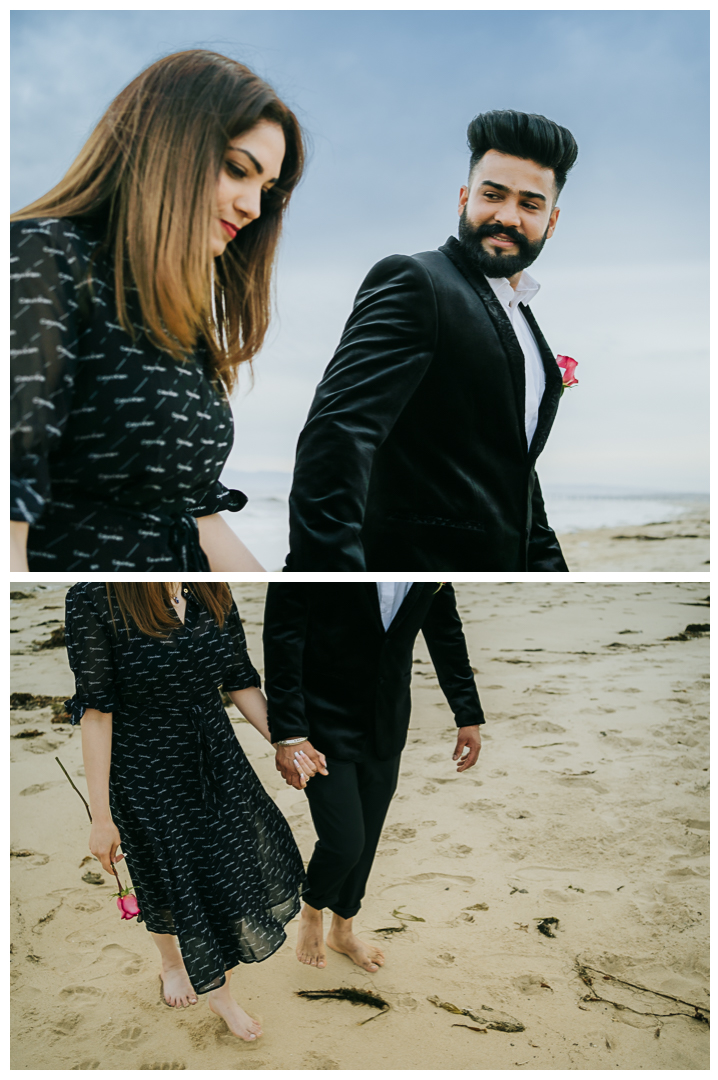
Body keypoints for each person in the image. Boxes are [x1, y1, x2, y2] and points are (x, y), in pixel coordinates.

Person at [11, 50, 304, 572]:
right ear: (166, 146)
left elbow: (194, 514)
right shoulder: (39, 257)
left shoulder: (176, 315)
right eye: (238, 170)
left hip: (186, 613)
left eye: (267, 190)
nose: (253, 207)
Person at [285, 109, 578, 571]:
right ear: (464, 198)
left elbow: (515, 472)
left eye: (530, 203)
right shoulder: (417, 281)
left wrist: (548, 570)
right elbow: (337, 439)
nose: (507, 216)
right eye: (492, 195)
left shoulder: (522, 318)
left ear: (552, 220)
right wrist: (333, 579)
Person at [64, 581, 311, 1040]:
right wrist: (101, 817)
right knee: (167, 875)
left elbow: (239, 678)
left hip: (215, 754)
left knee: (230, 865)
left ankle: (216, 985)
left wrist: (288, 742)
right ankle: (176, 966)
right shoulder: (94, 598)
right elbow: (97, 710)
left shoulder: (210, 588)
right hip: (144, 765)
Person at [262, 582, 484, 971]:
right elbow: (282, 640)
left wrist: (467, 714)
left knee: (367, 836)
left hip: (387, 722)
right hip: (320, 727)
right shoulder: (324, 550)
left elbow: (446, 634)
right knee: (345, 841)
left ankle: (343, 930)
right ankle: (312, 911)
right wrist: (290, 735)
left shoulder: (431, 564)